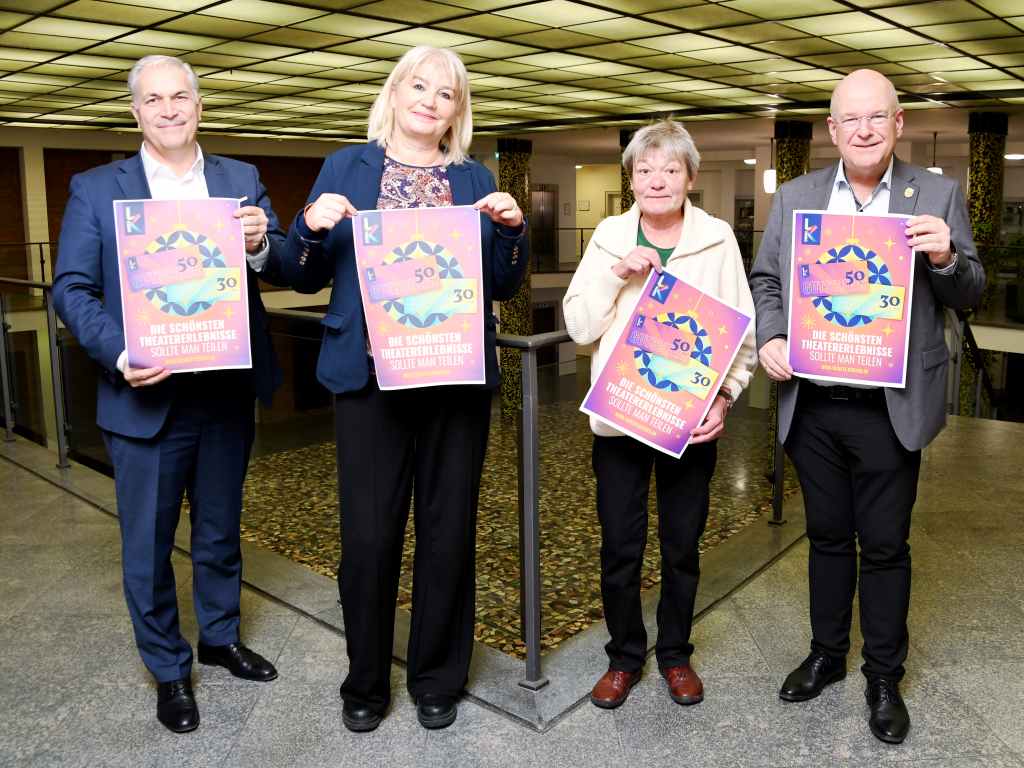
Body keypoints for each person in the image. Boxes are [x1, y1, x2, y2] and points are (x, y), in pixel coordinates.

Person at [279, 46, 527, 732]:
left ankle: (437, 678)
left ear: (458, 110)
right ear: (393, 92)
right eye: (418, 85)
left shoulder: (476, 176)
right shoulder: (345, 167)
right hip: (367, 382)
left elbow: (503, 284)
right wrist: (307, 226)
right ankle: (365, 680)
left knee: (448, 534)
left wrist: (511, 230)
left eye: (445, 93)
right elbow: (300, 273)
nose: (429, 99)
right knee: (368, 537)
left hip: (453, 381)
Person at [749, 69, 985, 744]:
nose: (863, 130)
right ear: (832, 129)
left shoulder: (935, 194)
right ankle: (827, 654)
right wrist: (770, 335)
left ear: (899, 122)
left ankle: (884, 674)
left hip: (890, 405)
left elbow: (969, 291)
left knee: (884, 545)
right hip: (814, 403)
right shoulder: (797, 197)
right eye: (850, 119)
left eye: (876, 117)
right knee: (825, 538)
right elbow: (768, 280)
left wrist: (944, 256)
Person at [53, 55, 286, 734]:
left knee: (218, 532)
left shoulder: (239, 179)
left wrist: (257, 245)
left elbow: (276, 259)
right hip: (143, 399)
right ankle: (168, 669)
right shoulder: (97, 189)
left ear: (199, 104)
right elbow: (71, 287)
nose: (169, 108)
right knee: (148, 547)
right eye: (153, 99)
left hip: (222, 394)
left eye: (180, 95)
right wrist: (121, 352)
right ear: (136, 113)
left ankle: (219, 637)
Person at [563, 120, 756, 710]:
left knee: (681, 544)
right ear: (631, 178)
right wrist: (615, 272)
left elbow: (740, 333)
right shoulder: (608, 236)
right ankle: (624, 658)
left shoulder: (717, 238)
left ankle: (675, 654)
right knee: (620, 545)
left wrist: (724, 397)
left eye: (670, 169)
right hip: (621, 421)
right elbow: (579, 326)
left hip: (688, 424)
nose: (657, 180)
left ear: (690, 178)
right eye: (645, 170)